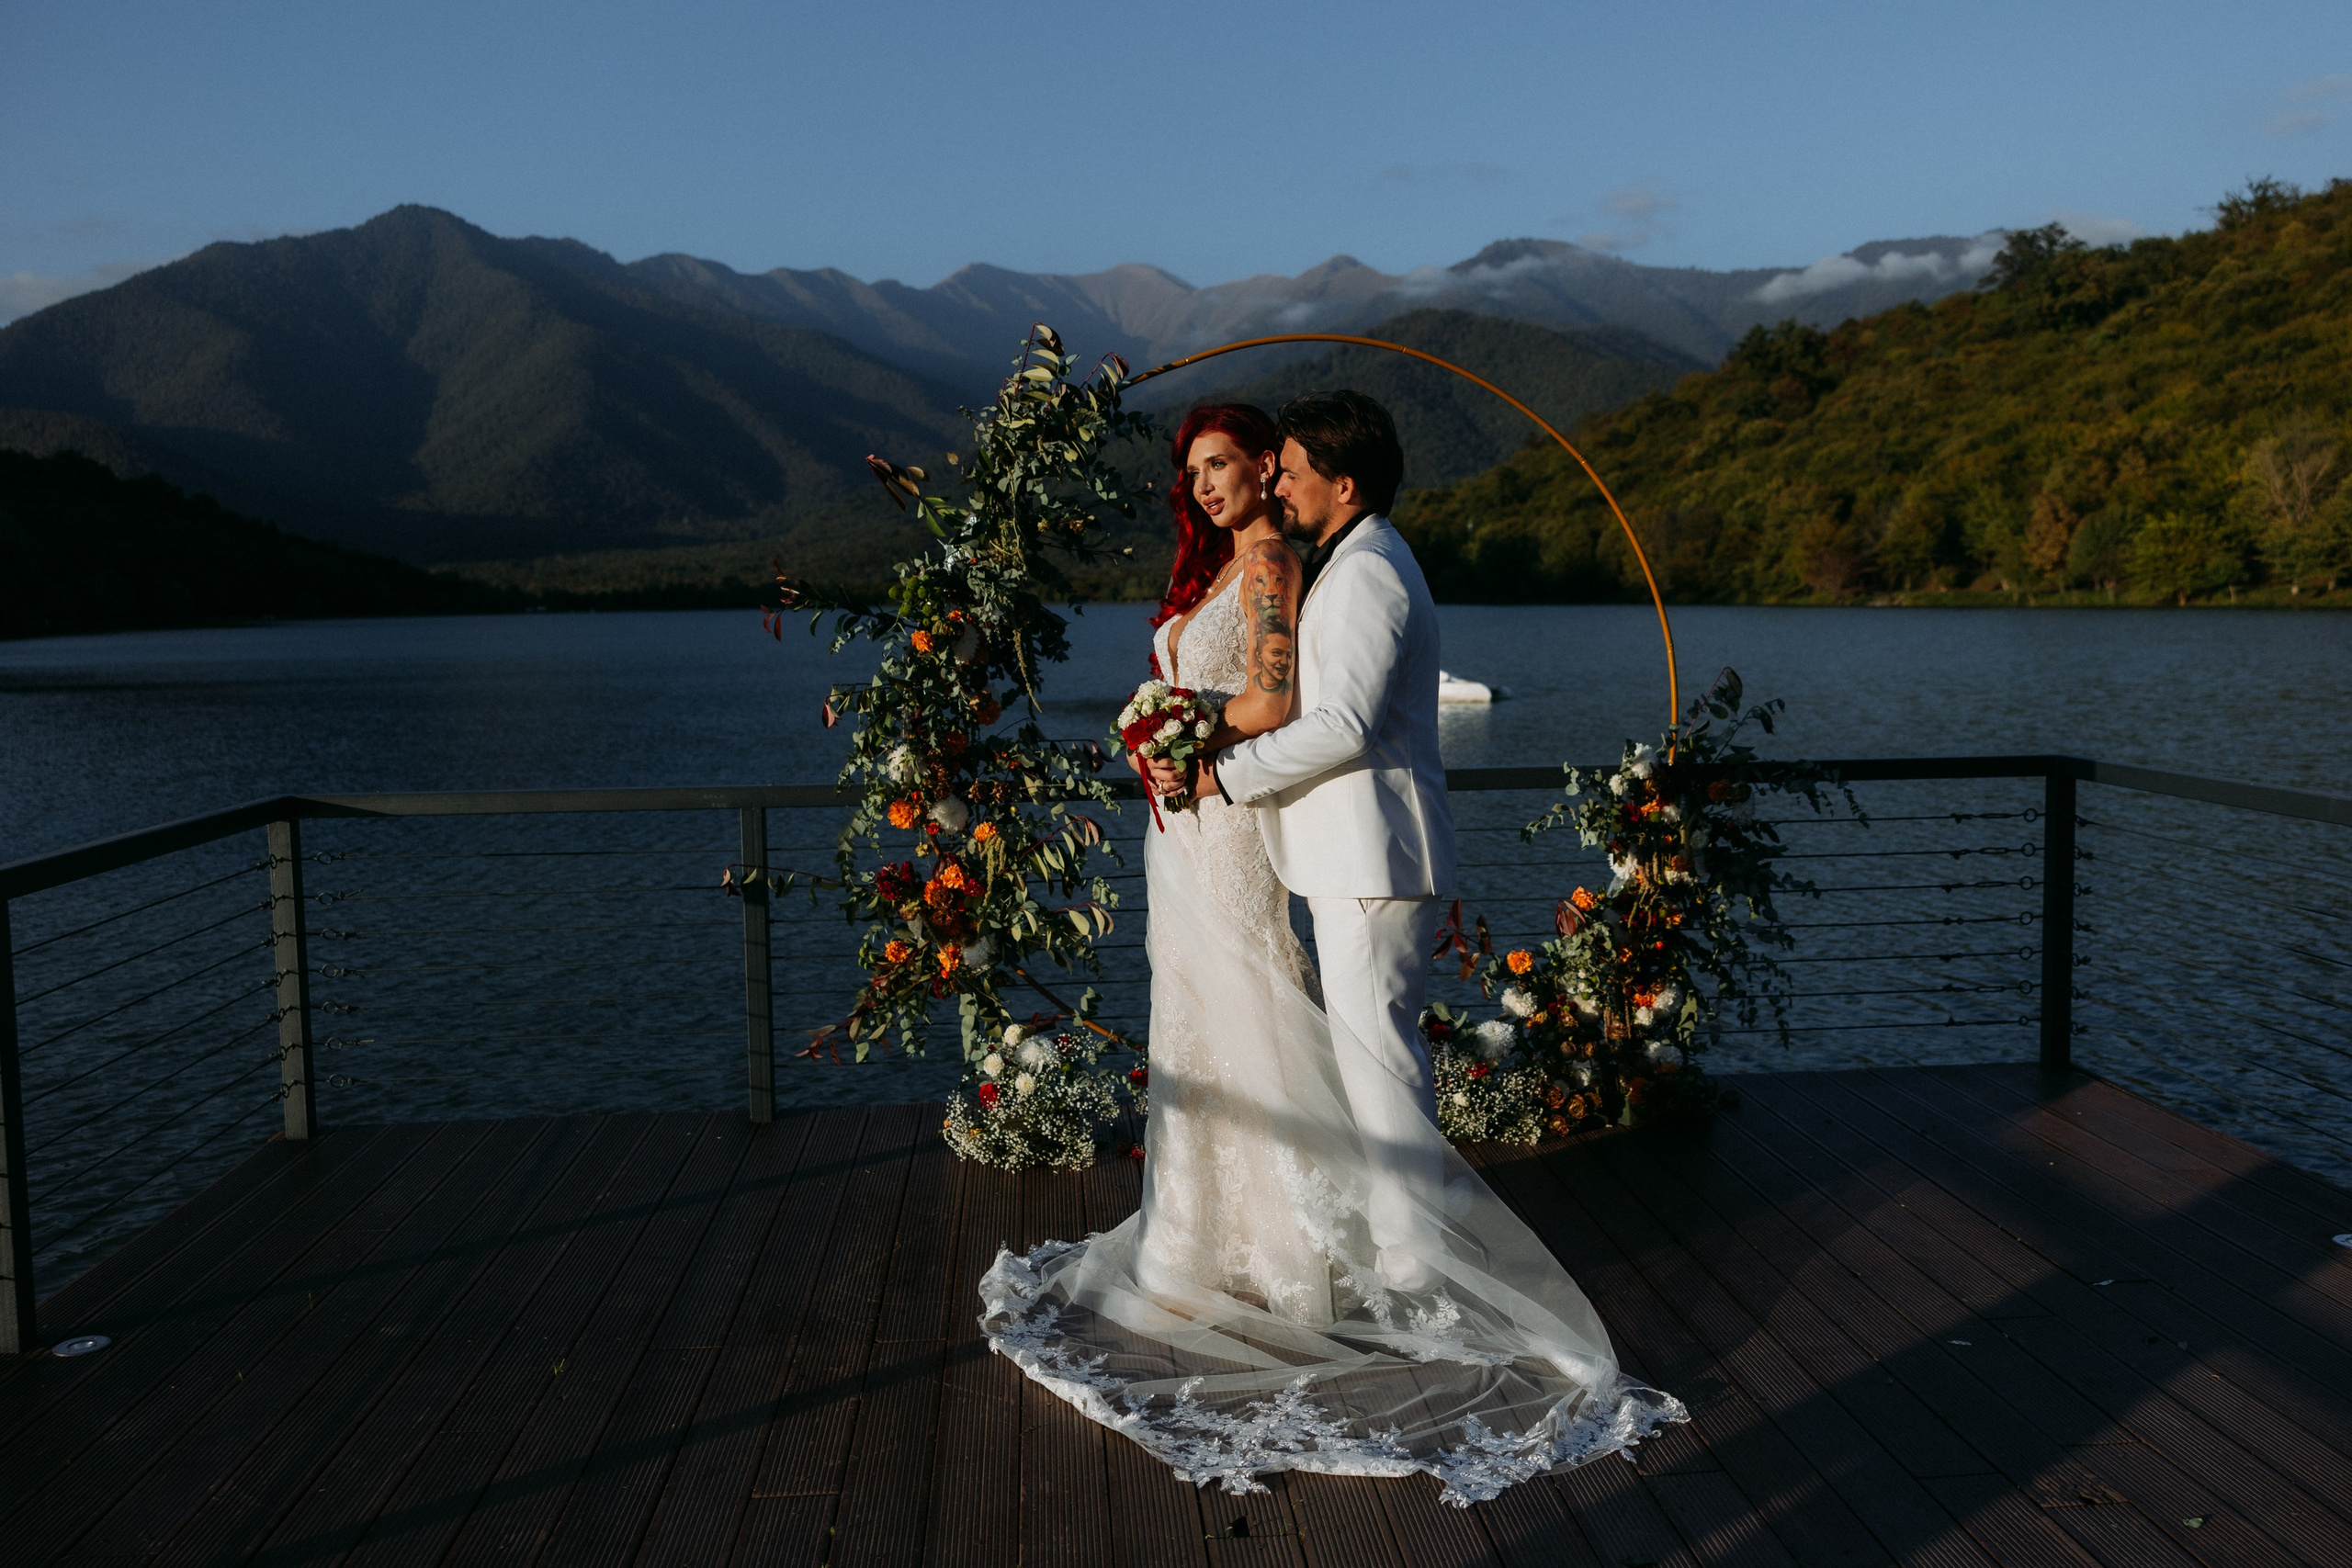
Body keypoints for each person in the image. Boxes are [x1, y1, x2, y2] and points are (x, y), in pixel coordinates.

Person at [978, 392, 1685, 1507]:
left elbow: (1337, 722)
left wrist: (1206, 758)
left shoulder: (1361, 572)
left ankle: (1422, 1281)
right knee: (1352, 1059)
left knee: (1375, 1067)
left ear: (1333, 483)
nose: (1275, 483)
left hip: (1368, 860)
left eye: (1284, 468)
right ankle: (1357, 1252)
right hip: (1336, 855)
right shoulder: (1350, 555)